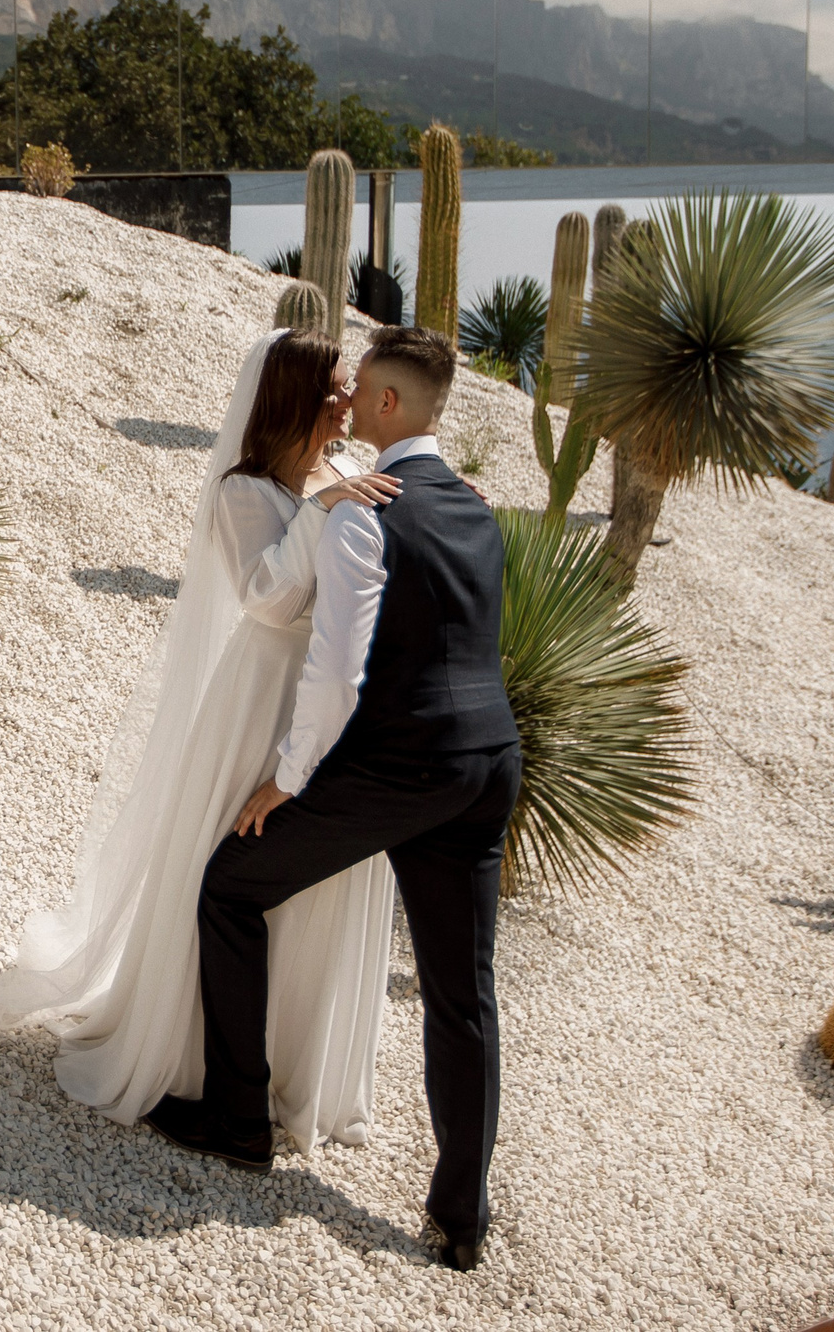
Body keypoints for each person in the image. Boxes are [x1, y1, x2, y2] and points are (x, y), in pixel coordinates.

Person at [0, 328, 405, 1147]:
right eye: (330, 388)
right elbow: (268, 600)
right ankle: (203, 1059)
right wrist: (319, 512)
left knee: (312, 882)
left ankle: (294, 1068)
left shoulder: (351, 476)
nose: (345, 402)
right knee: (231, 863)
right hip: (261, 697)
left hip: (331, 701)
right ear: (292, 397)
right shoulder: (245, 492)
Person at [141, 324, 521, 1274]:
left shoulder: (362, 513)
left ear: (386, 403)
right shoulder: (478, 509)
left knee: (230, 886)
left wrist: (288, 778)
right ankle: (460, 1219)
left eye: (360, 394)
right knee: (462, 993)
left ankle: (237, 1117)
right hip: (490, 766)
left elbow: (339, 669)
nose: (348, 408)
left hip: (397, 771)